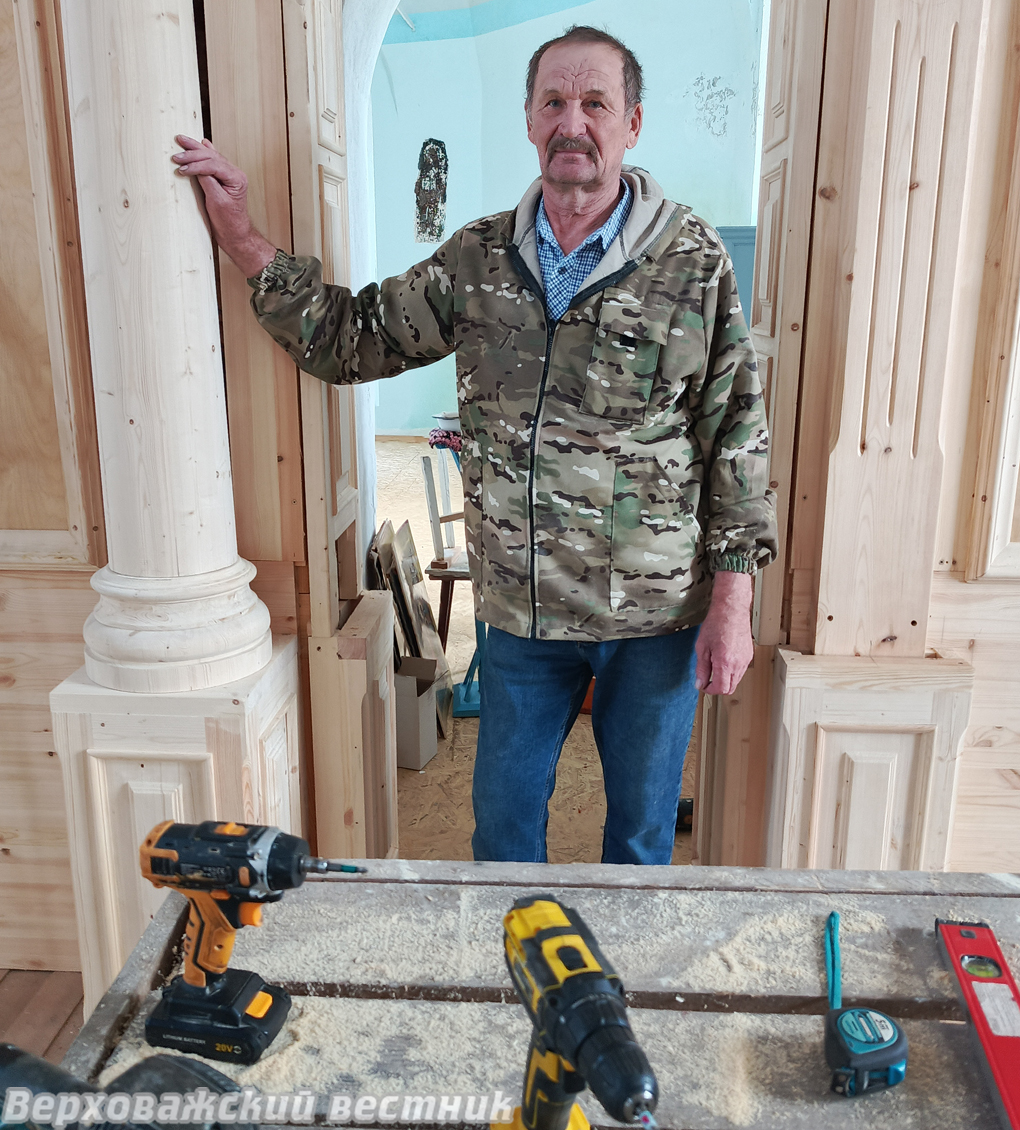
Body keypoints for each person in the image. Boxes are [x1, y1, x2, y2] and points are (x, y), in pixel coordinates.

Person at [172, 25, 777, 866]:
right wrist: (241, 235)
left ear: (632, 123)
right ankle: (516, 954)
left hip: (654, 618)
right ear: (529, 119)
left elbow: (736, 431)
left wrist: (733, 605)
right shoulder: (478, 257)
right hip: (520, 614)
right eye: (553, 102)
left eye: (595, 103)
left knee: (640, 841)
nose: (572, 123)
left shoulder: (692, 258)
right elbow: (352, 337)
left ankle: (615, 960)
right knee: (501, 835)